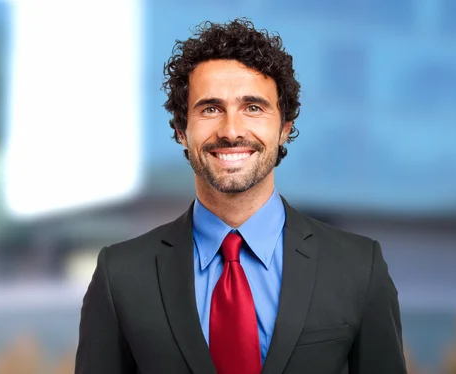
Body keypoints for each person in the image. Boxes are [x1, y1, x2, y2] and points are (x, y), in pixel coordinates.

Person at [75, 18, 406, 374]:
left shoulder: (358, 267)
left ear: (284, 129)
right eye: (210, 109)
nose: (231, 130)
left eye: (253, 107)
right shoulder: (120, 275)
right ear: (181, 131)